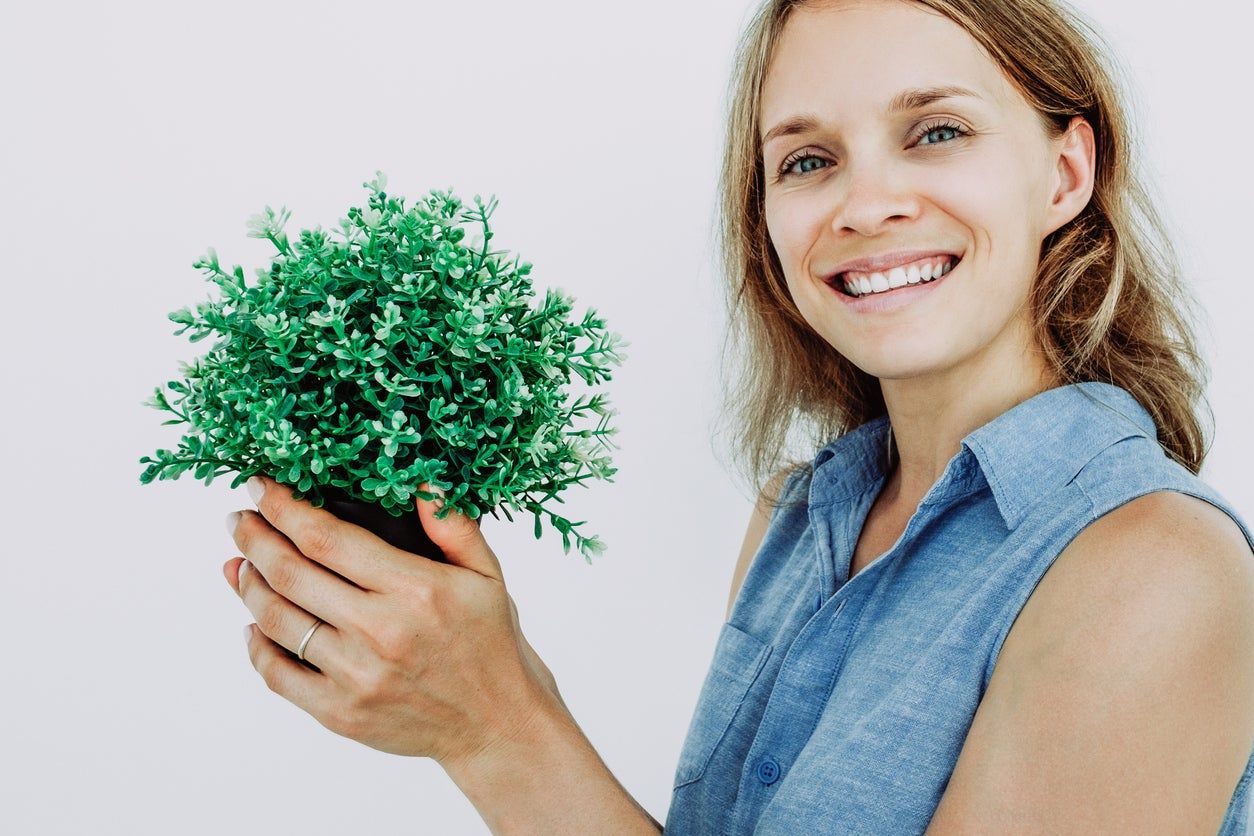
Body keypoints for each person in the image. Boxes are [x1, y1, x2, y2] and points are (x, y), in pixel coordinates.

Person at [221, 0, 1254, 833]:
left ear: (1066, 172)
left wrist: (498, 724)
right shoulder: (801, 515)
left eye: (935, 132)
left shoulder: (1155, 568)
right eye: (807, 160)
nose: (866, 203)